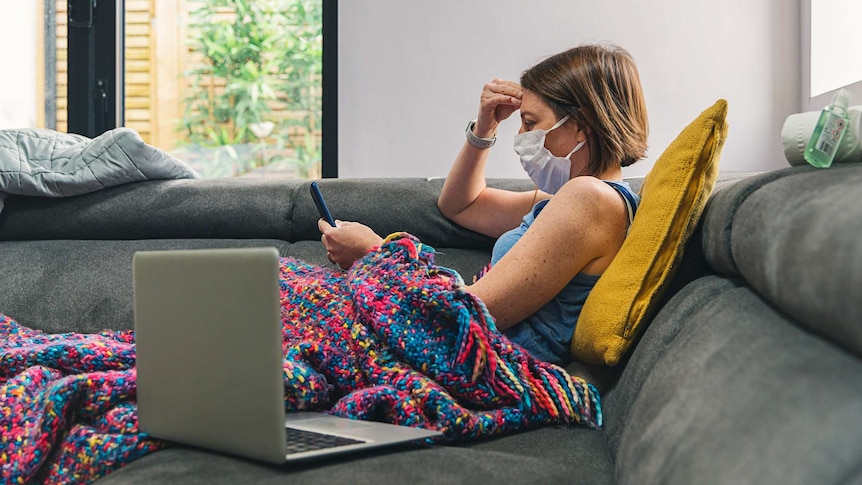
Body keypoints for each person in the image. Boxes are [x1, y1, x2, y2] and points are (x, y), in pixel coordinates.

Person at [318, 43, 649, 366]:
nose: (520, 135)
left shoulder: (590, 200)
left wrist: (376, 256)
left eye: (531, 123)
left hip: (484, 361)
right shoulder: (568, 199)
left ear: (581, 125)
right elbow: (461, 205)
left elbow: (471, 312)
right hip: (472, 348)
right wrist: (485, 126)